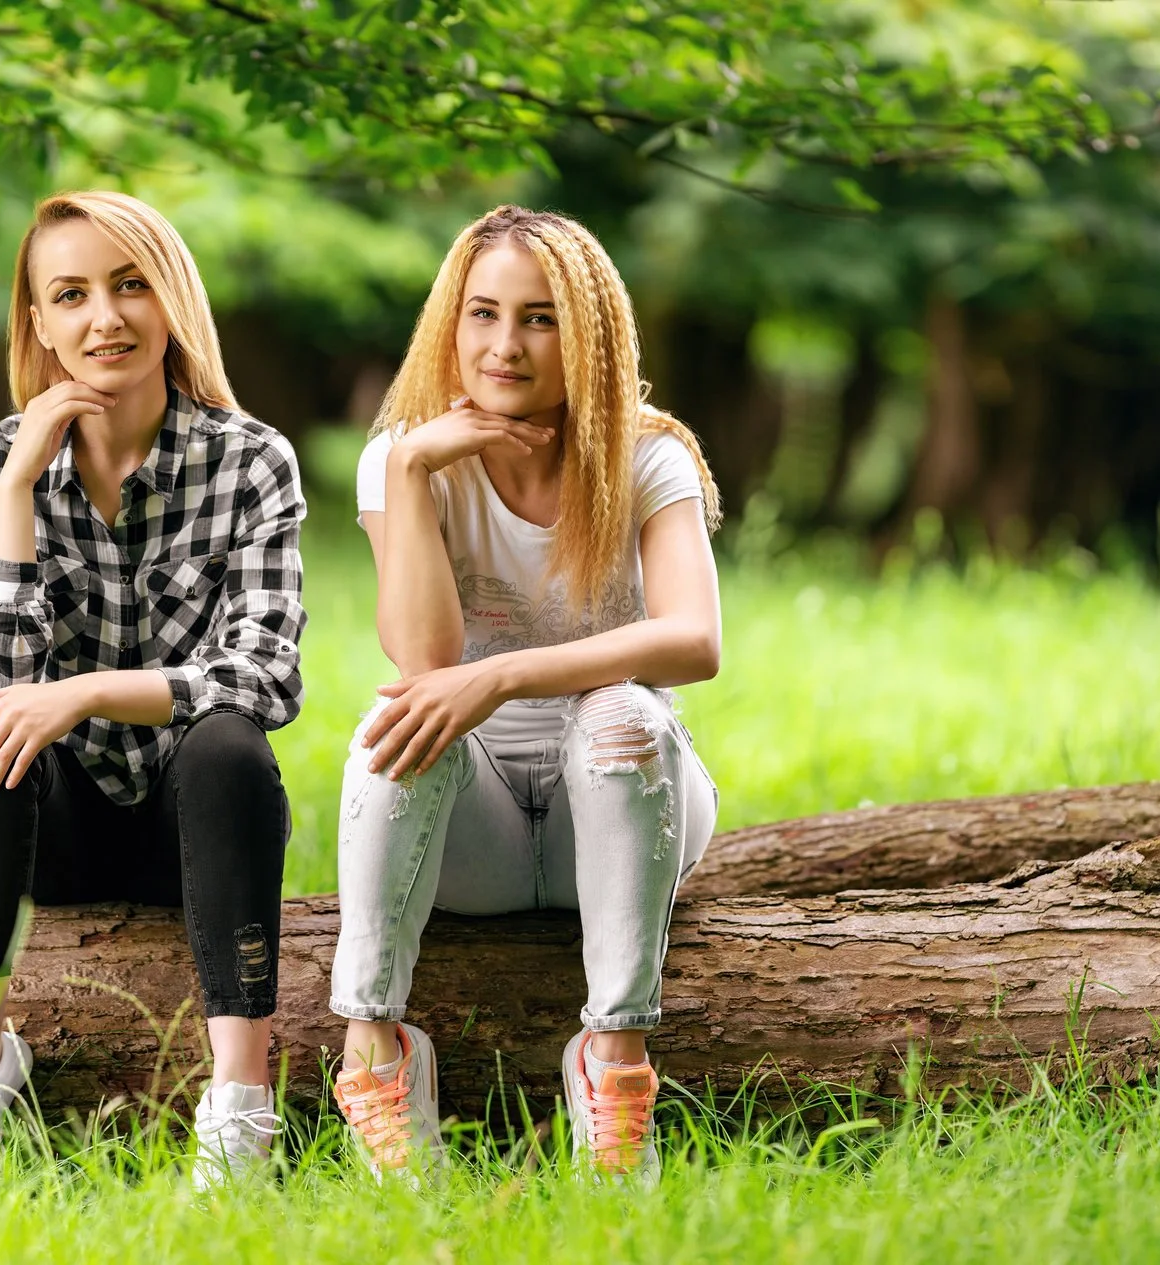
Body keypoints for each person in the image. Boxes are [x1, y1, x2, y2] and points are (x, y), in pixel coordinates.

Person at [331, 205, 723, 1181]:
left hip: (627, 813)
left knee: (622, 713)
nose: (505, 344)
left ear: (587, 333)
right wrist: (417, 471)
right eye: (483, 313)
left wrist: (506, 671)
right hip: (483, 834)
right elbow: (424, 656)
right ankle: (374, 1051)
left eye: (540, 317)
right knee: (395, 725)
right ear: (449, 323)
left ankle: (614, 1060)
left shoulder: (645, 456)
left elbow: (693, 640)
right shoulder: (402, 459)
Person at [0, 190, 306, 1190]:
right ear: (39, 325)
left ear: (171, 297)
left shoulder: (251, 460)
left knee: (227, 741)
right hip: (61, 834)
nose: (107, 316)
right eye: (73, 293)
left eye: (130, 284)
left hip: (197, 831)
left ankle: (240, 1107)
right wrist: (17, 491)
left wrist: (87, 689)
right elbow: (5, 686)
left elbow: (261, 675)